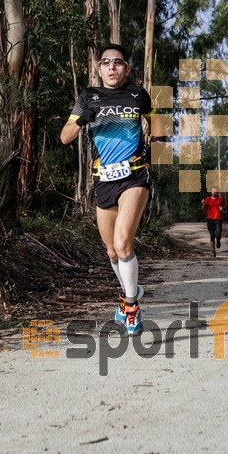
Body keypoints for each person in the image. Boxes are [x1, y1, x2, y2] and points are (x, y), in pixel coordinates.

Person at [60, 43, 158, 335]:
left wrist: (155, 153)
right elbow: (64, 137)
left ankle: (131, 307)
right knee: (112, 251)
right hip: (103, 180)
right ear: (99, 68)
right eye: (106, 62)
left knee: (123, 242)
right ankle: (130, 290)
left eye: (118, 62)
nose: (112, 67)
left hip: (134, 177)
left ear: (126, 69)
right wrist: (82, 119)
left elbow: (158, 122)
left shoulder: (138, 94)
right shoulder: (88, 97)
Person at [202, 187, 226, 257]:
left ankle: (218, 240)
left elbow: (224, 206)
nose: (214, 193)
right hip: (210, 219)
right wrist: (203, 204)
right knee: (212, 236)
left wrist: (222, 208)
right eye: (213, 191)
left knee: (218, 234)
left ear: (217, 192)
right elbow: (204, 208)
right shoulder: (208, 199)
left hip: (218, 218)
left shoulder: (220, 199)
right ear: (211, 192)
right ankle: (213, 252)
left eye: (215, 192)